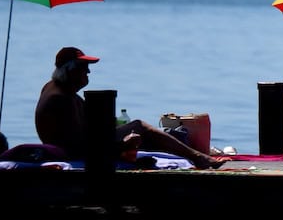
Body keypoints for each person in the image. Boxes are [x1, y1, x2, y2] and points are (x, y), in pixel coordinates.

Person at [35, 47, 225, 169]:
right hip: (75, 153)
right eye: (84, 67)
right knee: (140, 127)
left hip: (80, 146)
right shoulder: (61, 99)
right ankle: (198, 157)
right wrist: (121, 146)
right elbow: (79, 146)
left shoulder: (56, 88)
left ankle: (193, 155)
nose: (88, 72)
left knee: (142, 133)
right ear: (70, 70)